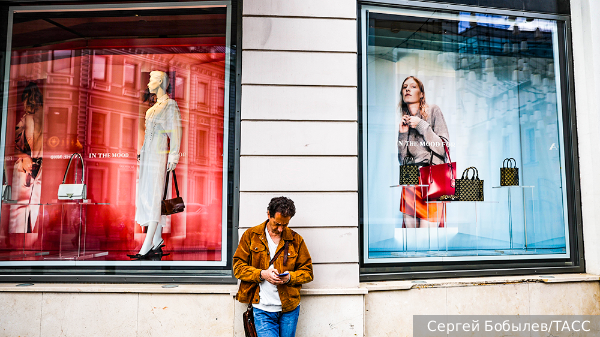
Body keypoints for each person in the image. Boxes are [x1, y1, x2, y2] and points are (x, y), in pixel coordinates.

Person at [233, 196, 313, 337]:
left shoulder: (296, 240)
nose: (281, 229)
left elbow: (307, 272)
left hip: (289, 309)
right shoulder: (251, 236)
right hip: (262, 309)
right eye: (277, 224)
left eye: (285, 225)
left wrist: (289, 277)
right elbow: (238, 267)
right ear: (268, 214)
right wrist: (262, 274)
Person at [130, 71, 182, 259]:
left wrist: (173, 156)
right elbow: (147, 136)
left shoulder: (170, 106)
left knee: (154, 197)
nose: (148, 83)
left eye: (151, 80)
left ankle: (146, 244)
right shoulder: (151, 110)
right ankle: (157, 240)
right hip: (148, 157)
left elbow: (175, 132)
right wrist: (141, 152)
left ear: (159, 82)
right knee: (148, 195)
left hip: (160, 156)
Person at [397, 76, 449, 228]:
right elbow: (402, 160)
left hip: (432, 177)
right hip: (411, 179)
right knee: (410, 236)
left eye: (413, 86)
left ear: (421, 94)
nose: (407, 89)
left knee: (428, 236)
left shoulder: (433, 110)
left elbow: (443, 148)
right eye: (405, 86)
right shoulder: (405, 120)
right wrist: (402, 134)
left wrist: (422, 125)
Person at [9, 82, 44, 233]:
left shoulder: (26, 118)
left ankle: (20, 239)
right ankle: (30, 239)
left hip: (26, 166)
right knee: (35, 204)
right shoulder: (45, 115)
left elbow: (11, 143)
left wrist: (23, 156)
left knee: (21, 206)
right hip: (40, 166)